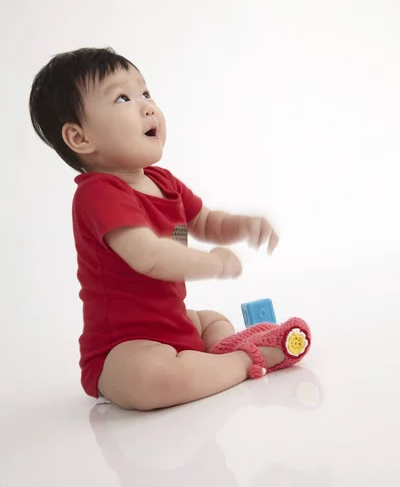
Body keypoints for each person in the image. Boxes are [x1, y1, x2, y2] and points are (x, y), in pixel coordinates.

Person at [29, 47, 311, 410]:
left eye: (146, 93)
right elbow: (149, 256)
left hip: (176, 323)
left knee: (211, 321)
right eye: (123, 98)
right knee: (149, 379)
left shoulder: (164, 182)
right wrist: (214, 264)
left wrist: (244, 225)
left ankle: (223, 351)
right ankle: (242, 361)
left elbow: (208, 221)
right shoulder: (99, 193)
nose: (147, 106)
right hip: (124, 346)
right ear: (80, 138)